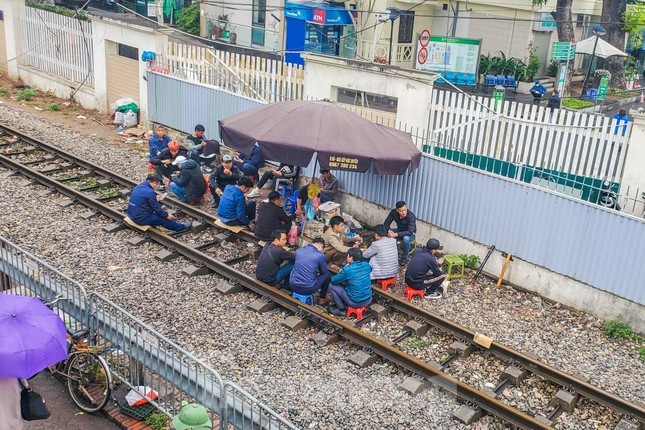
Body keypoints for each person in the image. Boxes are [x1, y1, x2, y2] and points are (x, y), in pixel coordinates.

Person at [127, 174, 192, 231]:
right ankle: (180, 227)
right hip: (140, 219)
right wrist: (167, 215)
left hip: (131, 214)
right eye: (157, 184)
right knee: (162, 218)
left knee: (157, 214)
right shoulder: (150, 192)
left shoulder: (138, 186)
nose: (157, 186)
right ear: (154, 183)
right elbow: (157, 209)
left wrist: (155, 199)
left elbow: (144, 199)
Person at [328, 248, 373, 316]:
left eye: (347, 256)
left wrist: (342, 271)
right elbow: (368, 270)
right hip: (369, 299)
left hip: (356, 302)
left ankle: (342, 310)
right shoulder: (367, 265)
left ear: (351, 257)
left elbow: (333, 280)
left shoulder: (347, 270)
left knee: (331, 286)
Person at [289, 237, 331, 305]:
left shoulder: (299, 250)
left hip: (293, 285)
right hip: (307, 289)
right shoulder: (320, 255)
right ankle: (322, 298)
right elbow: (324, 271)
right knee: (327, 274)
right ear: (321, 247)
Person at [384, 201, 417, 266]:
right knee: (383, 231)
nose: (404, 212)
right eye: (401, 211)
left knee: (406, 238)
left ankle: (404, 257)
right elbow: (386, 224)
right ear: (397, 210)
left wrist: (395, 234)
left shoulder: (411, 216)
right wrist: (388, 230)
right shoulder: (393, 212)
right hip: (399, 230)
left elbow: (410, 231)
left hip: (410, 234)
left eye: (405, 210)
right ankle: (386, 252)